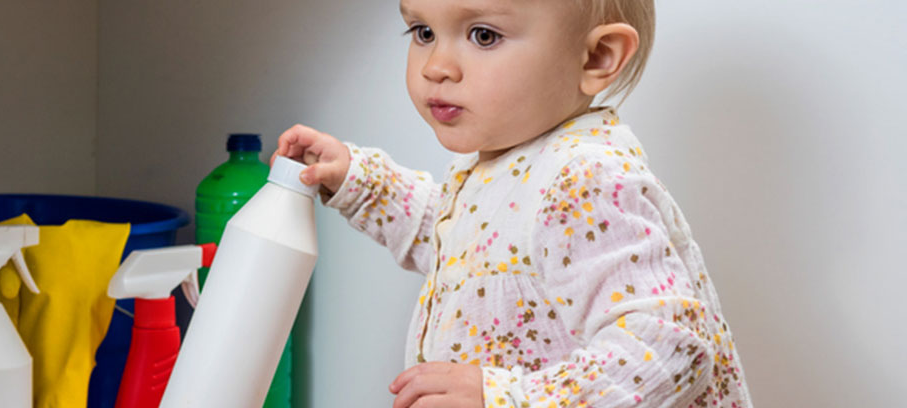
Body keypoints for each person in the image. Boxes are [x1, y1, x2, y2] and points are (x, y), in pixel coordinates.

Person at [273, 0, 752, 406]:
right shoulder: (505, 165)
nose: (435, 65)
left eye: (482, 35)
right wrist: (360, 180)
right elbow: (464, 248)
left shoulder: (584, 178)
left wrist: (506, 397)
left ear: (597, 58)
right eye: (422, 31)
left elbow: (669, 346)